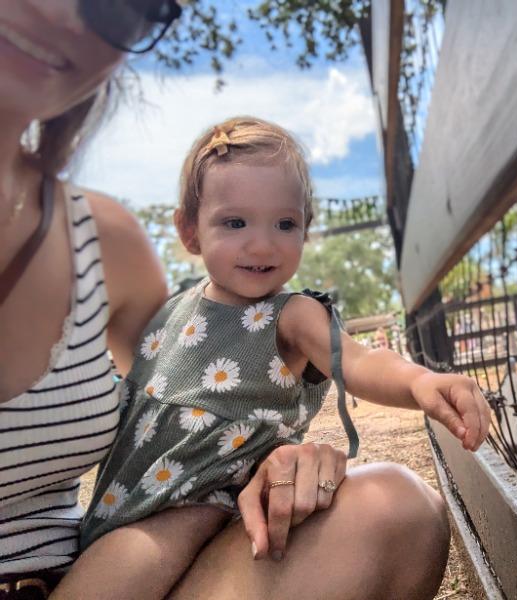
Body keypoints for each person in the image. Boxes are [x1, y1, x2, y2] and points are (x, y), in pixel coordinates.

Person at [0, 2, 488, 599]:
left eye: (285, 224)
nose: (262, 244)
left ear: (305, 231)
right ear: (189, 232)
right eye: (235, 223)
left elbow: (357, 360)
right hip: (128, 504)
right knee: (121, 555)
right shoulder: (172, 311)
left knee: (155, 548)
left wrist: (417, 382)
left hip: (207, 500)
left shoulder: (292, 314)